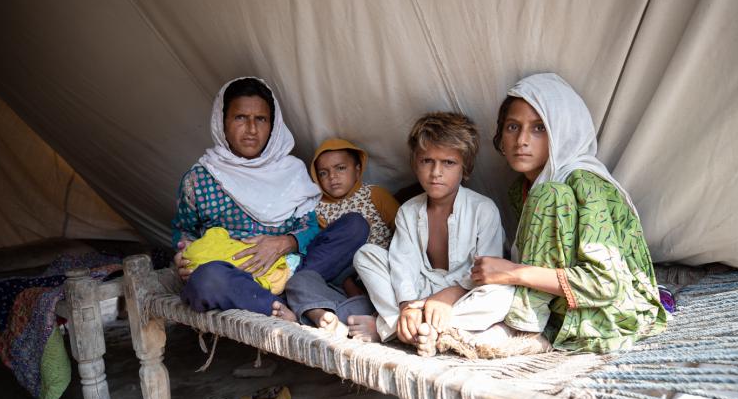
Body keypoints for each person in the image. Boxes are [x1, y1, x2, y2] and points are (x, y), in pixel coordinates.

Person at [471, 72, 666, 353]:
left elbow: (605, 285)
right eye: (513, 127)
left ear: (562, 132)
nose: (521, 140)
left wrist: (514, 273)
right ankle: (526, 323)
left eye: (539, 128)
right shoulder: (521, 189)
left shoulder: (582, 182)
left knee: (550, 195)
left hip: (612, 314)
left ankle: (524, 330)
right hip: (567, 308)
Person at [353, 112, 516, 356]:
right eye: (427, 161)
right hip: (418, 292)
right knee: (366, 255)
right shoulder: (408, 211)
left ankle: (393, 327)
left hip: (463, 294)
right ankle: (414, 325)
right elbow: (402, 264)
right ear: (415, 164)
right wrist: (408, 305)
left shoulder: (483, 210)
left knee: (503, 294)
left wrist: (448, 297)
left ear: (466, 167)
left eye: (448, 163)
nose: (436, 172)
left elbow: (488, 269)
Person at [171, 77, 322, 315]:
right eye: (240, 117)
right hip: (231, 280)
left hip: (288, 273)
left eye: (260, 119)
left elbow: (311, 227)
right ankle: (283, 308)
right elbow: (184, 230)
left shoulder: (292, 171)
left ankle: (289, 298)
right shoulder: (200, 179)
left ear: (273, 125)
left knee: (352, 227)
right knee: (207, 279)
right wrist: (182, 254)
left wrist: (284, 243)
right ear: (222, 122)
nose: (251, 129)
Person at [272, 138, 400, 341]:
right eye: (323, 173)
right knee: (300, 280)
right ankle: (331, 318)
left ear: (358, 170)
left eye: (341, 168)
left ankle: (311, 316)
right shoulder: (314, 207)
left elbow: (404, 231)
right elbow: (324, 255)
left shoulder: (375, 194)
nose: (333, 177)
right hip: (338, 281)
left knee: (356, 225)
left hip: (377, 276)